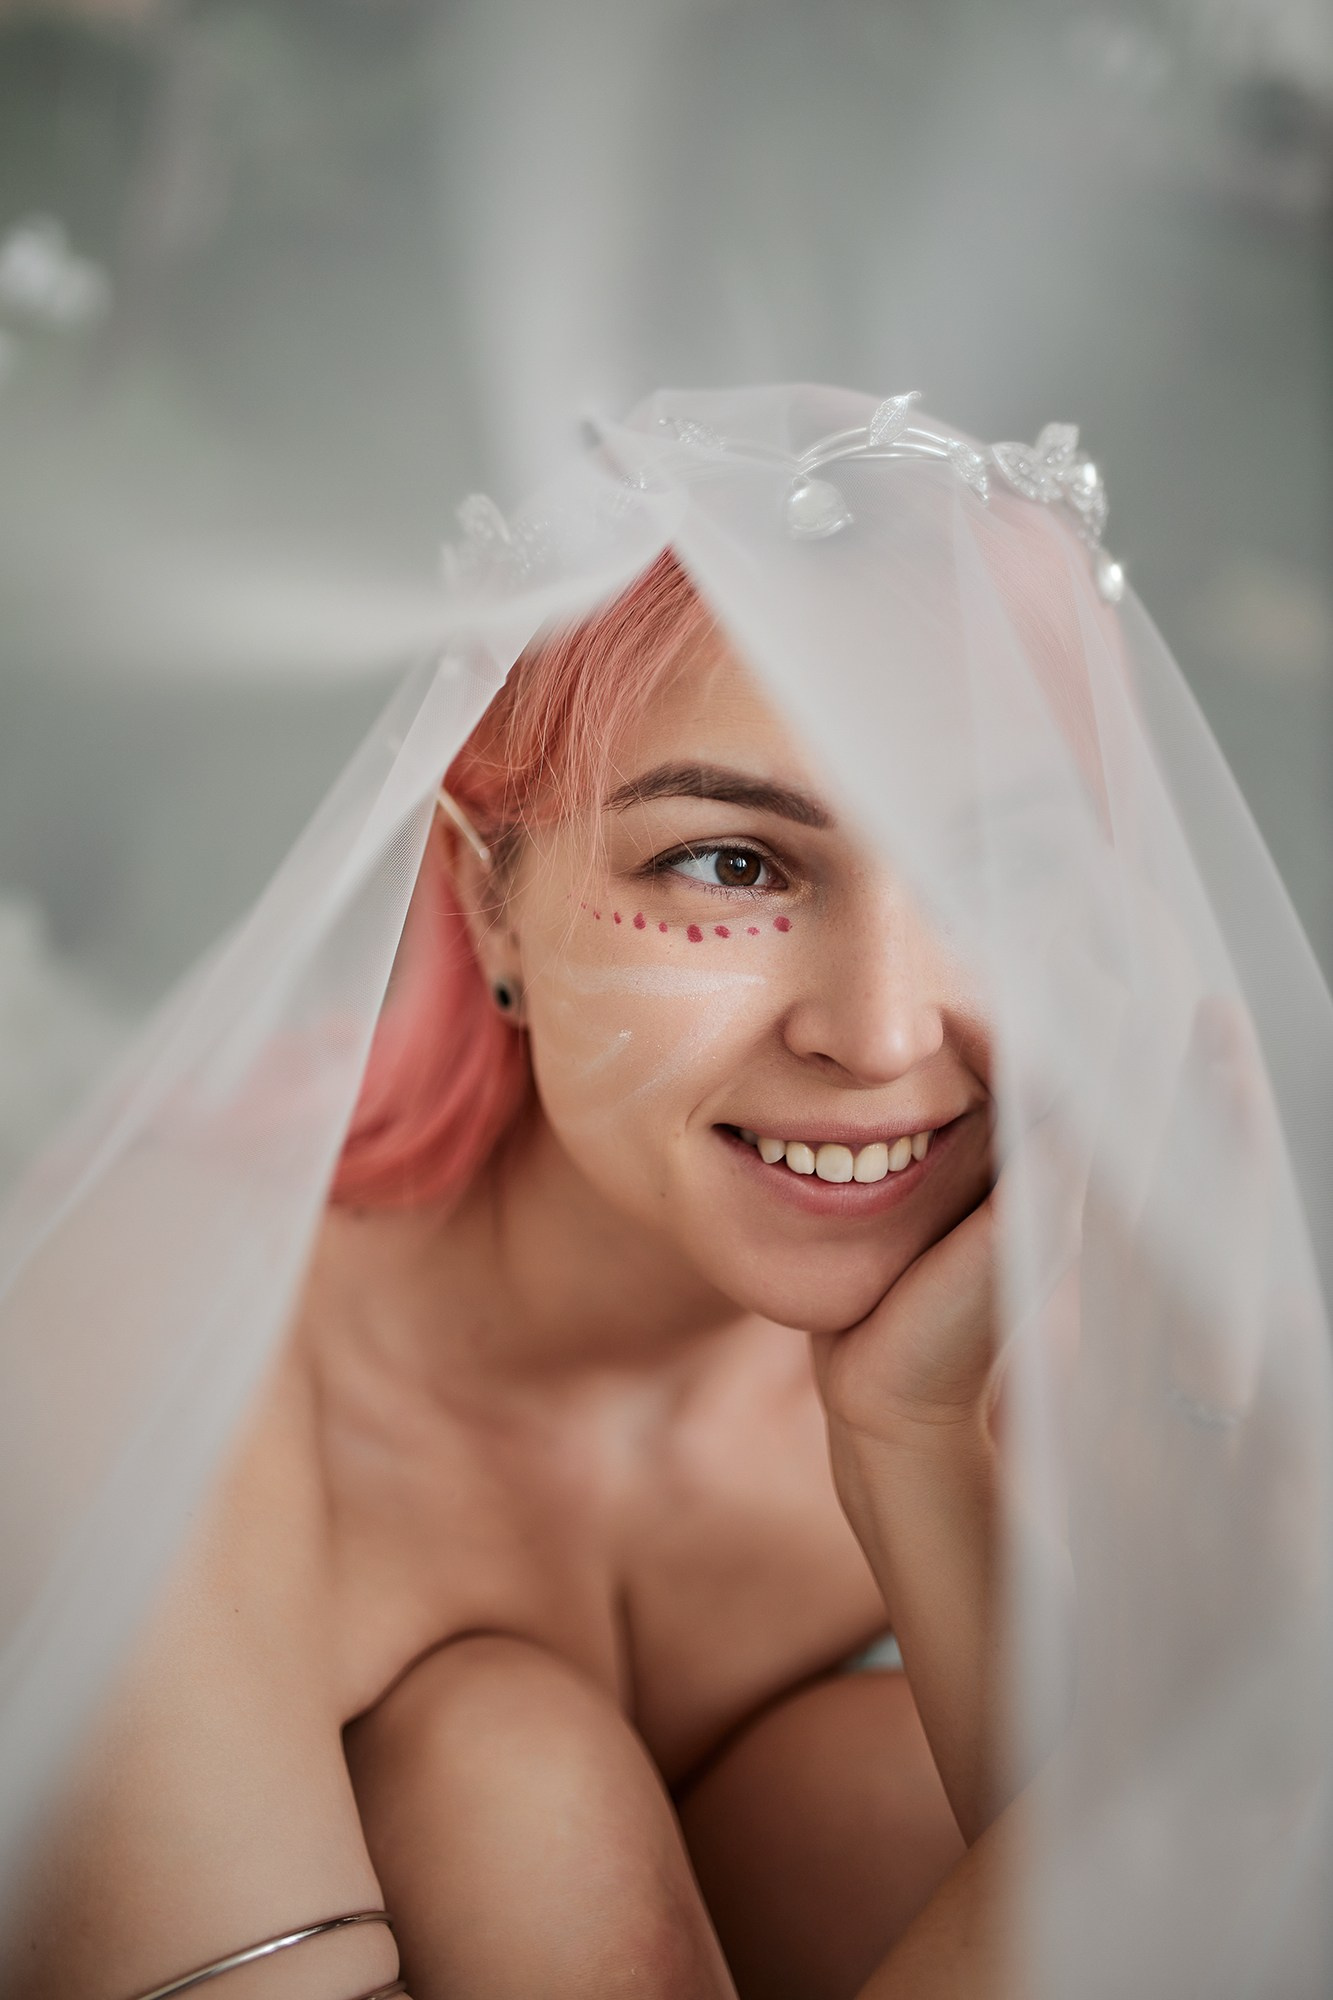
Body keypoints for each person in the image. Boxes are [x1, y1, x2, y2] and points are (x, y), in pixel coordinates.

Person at [3, 385, 1330, 2000]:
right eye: (730, 864)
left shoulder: (1092, 1362)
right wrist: (1184, 1765)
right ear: (485, 899)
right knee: (505, 1766)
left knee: (831, 1787)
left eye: (994, 875)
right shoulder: (161, 1331)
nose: (881, 1034)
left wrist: (916, 1452)